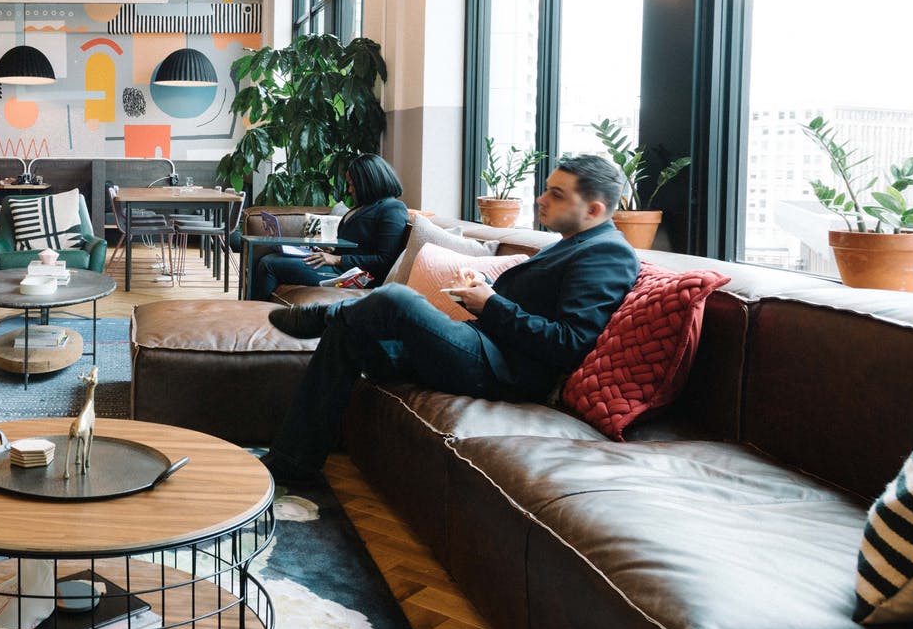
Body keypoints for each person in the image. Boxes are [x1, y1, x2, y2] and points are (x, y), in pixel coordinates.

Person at [259, 154, 640, 483]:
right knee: (349, 333)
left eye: (557, 194)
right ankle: (292, 462)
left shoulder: (608, 254)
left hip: (503, 371)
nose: (541, 199)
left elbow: (568, 343)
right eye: (546, 189)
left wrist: (491, 304)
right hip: (481, 344)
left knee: (395, 299)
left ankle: (327, 315)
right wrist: (483, 288)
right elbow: (532, 307)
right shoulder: (573, 244)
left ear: (594, 210)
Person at [247, 153, 411, 302]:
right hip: (339, 266)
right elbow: (357, 245)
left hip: (352, 275)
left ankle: (253, 315)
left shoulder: (393, 209)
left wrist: (338, 259)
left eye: (353, 184)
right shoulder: (363, 206)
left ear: (369, 182)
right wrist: (330, 251)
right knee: (266, 255)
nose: (350, 190)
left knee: (269, 264)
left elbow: (385, 260)